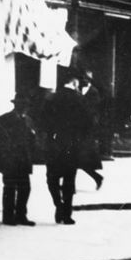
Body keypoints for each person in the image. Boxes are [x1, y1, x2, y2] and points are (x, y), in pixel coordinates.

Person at [40, 68, 91, 225]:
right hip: (73, 146)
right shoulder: (80, 99)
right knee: (69, 180)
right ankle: (67, 213)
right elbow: (89, 123)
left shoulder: (52, 98)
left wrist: (49, 136)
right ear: (74, 82)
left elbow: (42, 120)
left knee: (52, 179)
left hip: (54, 144)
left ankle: (58, 205)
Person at [0, 93, 37, 226]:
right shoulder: (3, 120)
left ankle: (21, 215)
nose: (24, 108)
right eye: (22, 105)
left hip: (23, 160)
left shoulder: (28, 121)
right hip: (9, 159)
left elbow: (32, 140)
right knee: (9, 188)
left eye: (26, 106)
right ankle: (8, 216)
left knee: (25, 188)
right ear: (15, 105)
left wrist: (32, 154)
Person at [79, 71, 104, 190]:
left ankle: (97, 177)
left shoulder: (94, 92)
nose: (84, 80)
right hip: (79, 128)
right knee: (75, 158)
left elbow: (94, 110)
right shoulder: (78, 90)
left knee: (80, 158)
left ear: (90, 80)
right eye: (83, 78)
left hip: (87, 129)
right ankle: (96, 177)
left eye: (87, 78)